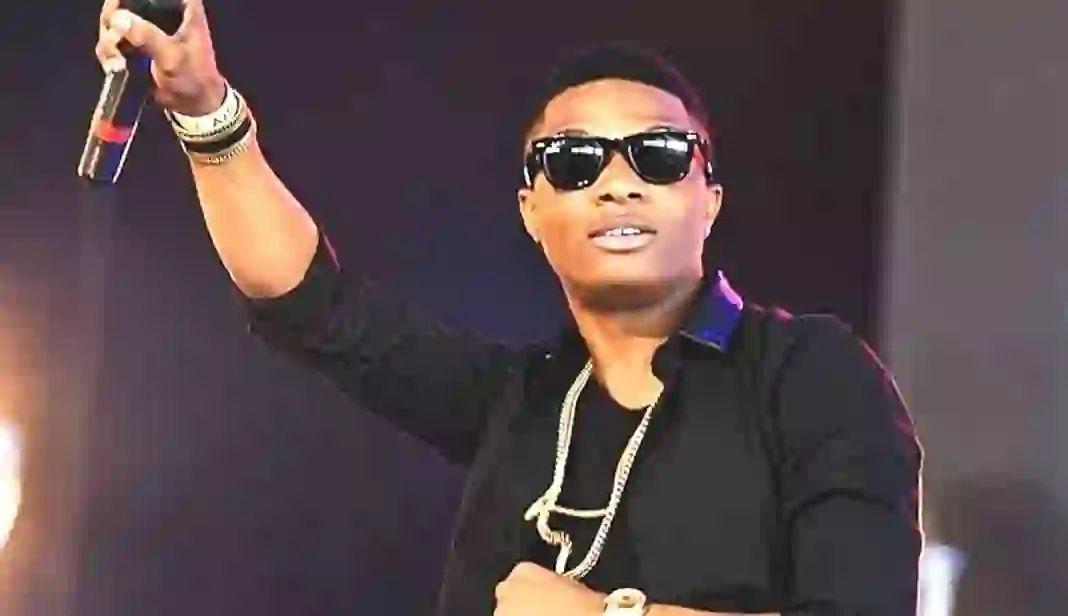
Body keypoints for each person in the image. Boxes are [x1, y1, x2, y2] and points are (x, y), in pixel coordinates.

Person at [94, 1, 924, 615]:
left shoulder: (810, 375)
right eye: (575, 160)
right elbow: (315, 307)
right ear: (530, 209)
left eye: (660, 154)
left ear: (709, 198)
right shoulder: (518, 404)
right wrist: (201, 106)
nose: (618, 182)